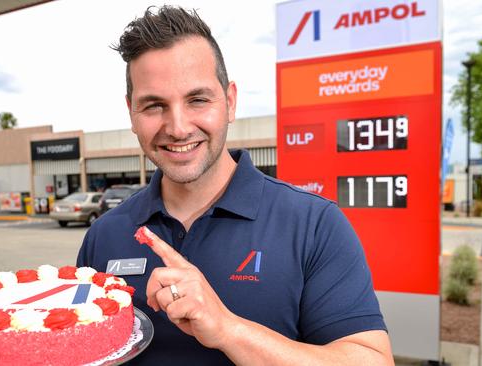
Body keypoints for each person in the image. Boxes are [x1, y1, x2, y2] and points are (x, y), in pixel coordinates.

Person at [77, 6, 393, 365]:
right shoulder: (103, 236)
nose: (178, 127)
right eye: (153, 106)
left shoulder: (314, 225)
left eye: (197, 99)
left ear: (229, 101)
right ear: (131, 113)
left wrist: (228, 329)